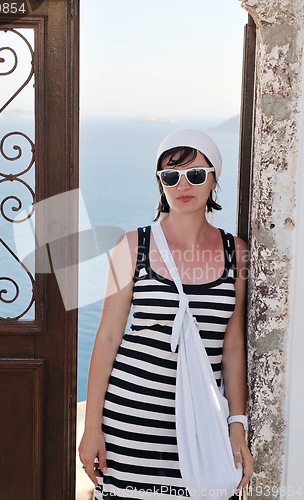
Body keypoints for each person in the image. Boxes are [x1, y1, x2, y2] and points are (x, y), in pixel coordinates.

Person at [79, 129, 253, 499]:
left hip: (200, 428)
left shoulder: (236, 252)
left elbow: (233, 346)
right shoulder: (132, 245)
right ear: (160, 183)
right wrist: (91, 426)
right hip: (130, 420)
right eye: (170, 176)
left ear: (213, 180)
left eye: (195, 174)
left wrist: (237, 423)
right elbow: (108, 337)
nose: (182, 185)